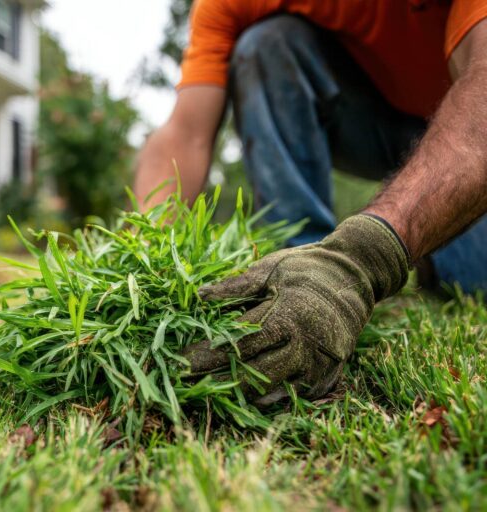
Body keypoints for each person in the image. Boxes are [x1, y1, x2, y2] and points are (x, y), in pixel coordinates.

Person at [134, 1, 487, 404]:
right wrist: (145, 248)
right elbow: (185, 133)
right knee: (267, 44)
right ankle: (304, 268)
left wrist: (364, 256)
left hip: (465, 121)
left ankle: (409, 256)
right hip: (363, 113)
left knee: (472, 282)